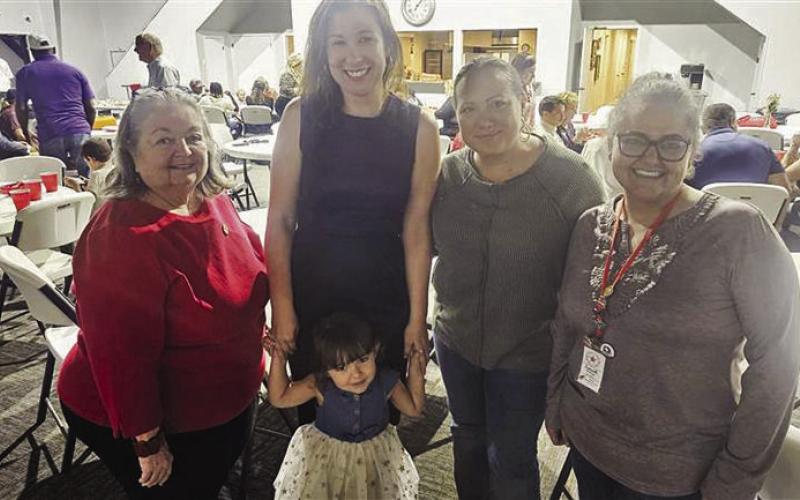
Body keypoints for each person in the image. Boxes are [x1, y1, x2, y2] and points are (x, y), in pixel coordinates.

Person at [546, 73, 800, 500]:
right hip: (589, 443)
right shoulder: (592, 225)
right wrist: (556, 402)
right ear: (611, 144)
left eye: (671, 143)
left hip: (680, 474)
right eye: (634, 140)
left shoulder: (739, 232)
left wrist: (735, 479)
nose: (651, 157)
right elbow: (567, 327)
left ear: (693, 150)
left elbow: (777, 368)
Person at [57, 88, 268, 499]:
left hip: (219, 404)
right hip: (155, 422)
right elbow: (122, 356)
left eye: (193, 136)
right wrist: (147, 441)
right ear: (131, 154)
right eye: (164, 139)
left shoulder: (210, 201)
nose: (184, 150)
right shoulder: (121, 236)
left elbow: (249, 268)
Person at [432, 57, 604, 500]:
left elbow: (593, 278)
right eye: (468, 109)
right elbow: (422, 248)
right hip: (456, 343)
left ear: (524, 103)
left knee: (510, 459)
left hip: (526, 355)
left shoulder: (570, 179)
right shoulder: (448, 175)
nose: (482, 120)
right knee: (467, 440)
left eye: (497, 103)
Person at [266, 0, 439, 426]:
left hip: (383, 292)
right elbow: (281, 220)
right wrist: (282, 306)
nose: (353, 55)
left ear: (387, 46)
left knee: (379, 415)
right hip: (313, 292)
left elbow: (416, 230)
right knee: (316, 416)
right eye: (337, 42)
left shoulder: (419, 127)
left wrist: (418, 318)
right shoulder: (299, 116)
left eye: (365, 38)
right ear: (324, 53)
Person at [268, 313, 425, 499]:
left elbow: (414, 408)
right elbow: (279, 398)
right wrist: (279, 358)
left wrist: (416, 369)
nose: (356, 373)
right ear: (326, 369)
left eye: (363, 359)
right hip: (328, 463)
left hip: (375, 461)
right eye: (341, 368)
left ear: (375, 350)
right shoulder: (320, 386)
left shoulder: (386, 381)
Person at [15, 34, 95, 174]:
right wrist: (87, 129)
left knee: (55, 179)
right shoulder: (75, 71)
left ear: (32, 52)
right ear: (54, 49)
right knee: (88, 178)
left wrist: (26, 133)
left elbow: (21, 108)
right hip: (79, 129)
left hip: (50, 132)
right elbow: (91, 107)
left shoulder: (26, 73)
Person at [688, 102, 790, 190]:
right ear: (733, 122)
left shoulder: (695, 152)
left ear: (703, 127)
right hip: (756, 209)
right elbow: (783, 189)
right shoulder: (763, 147)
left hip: (710, 210)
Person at [581, 105, 622, 198]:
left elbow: (583, 169)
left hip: (596, 195)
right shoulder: (623, 144)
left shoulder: (593, 145)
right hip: (616, 196)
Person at [81, 137, 114, 211]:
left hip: (96, 217)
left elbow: (87, 203)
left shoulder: (96, 175)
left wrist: (76, 187)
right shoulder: (115, 170)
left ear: (91, 159)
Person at [510, 53, 539, 126]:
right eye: (531, 71)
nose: (533, 76)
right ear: (520, 71)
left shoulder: (529, 90)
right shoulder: (509, 91)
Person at [275, 52, 303, 118]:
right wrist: (299, 90)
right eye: (301, 64)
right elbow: (285, 90)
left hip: (294, 103)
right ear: (296, 65)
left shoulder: (299, 75)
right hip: (286, 104)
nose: (302, 66)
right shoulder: (287, 75)